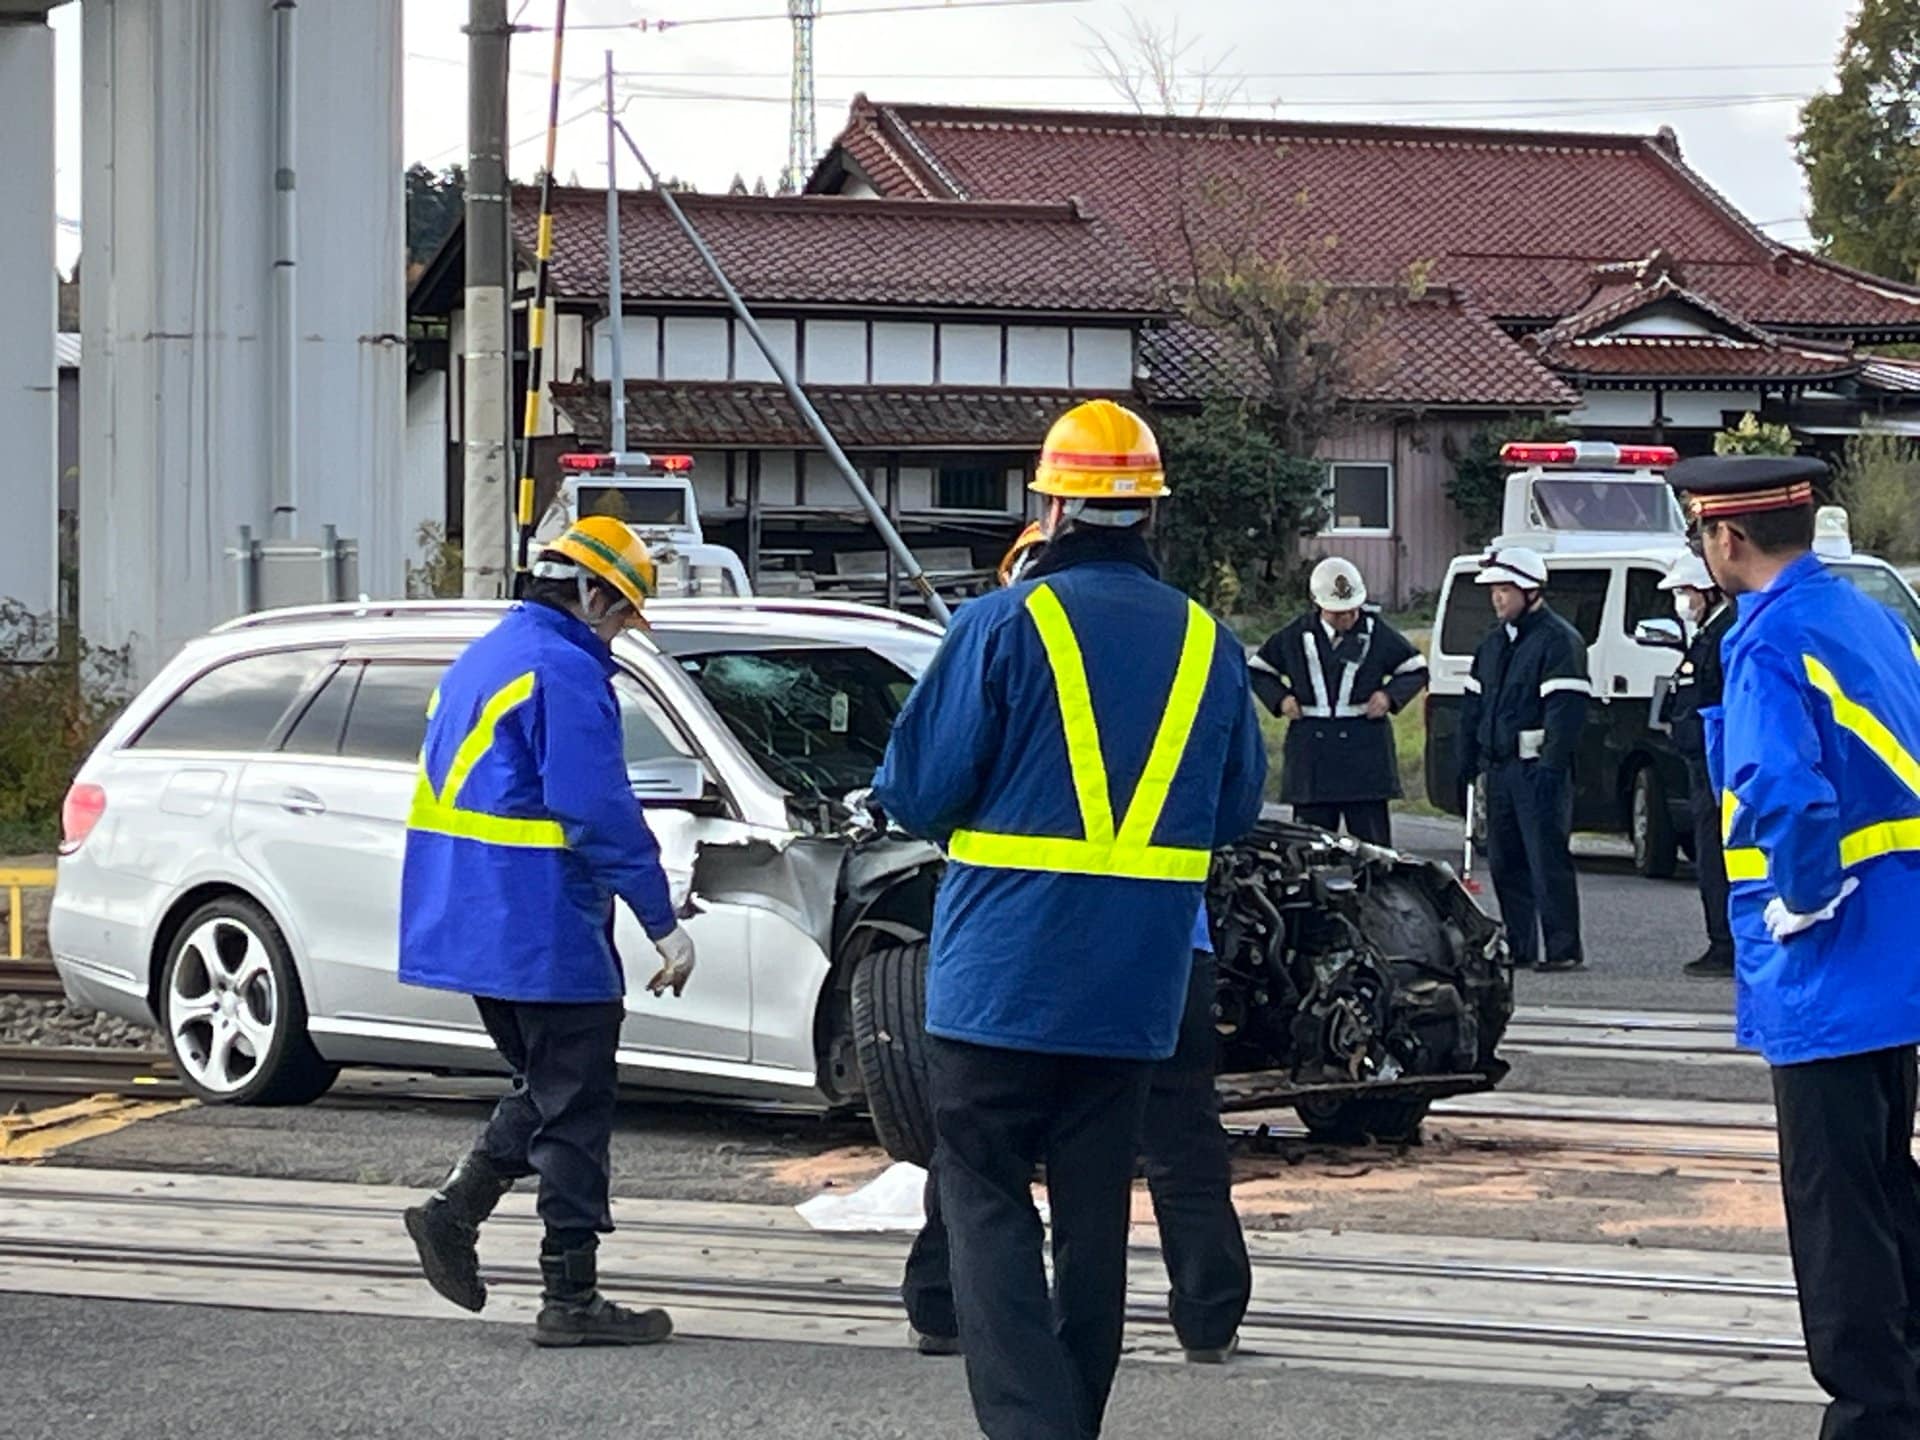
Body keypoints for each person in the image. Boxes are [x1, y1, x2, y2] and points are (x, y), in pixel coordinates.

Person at [872, 398, 1267, 1440]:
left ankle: (1029, 1425)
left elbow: (916, 792)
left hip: (1001, 969)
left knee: (984, 1193)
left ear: (1050, 507)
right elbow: (1231, 812)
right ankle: (1072, 1420)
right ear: (1148, 516)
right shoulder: (1207, 641)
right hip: (1137, 977)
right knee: (1095, 1216)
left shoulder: (1000, 623)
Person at [397, 515, 700, 1348]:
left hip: (472, 922)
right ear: (592, 593)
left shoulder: (490, 652)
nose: (620, 633)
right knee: (574, 1107)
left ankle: (455, 1211)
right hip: (538, 923)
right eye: (619, 614)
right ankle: (570, 1297)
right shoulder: (562, 670)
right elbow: (595, 805)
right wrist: (662, 921)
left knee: (549, 1087)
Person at [1670, 454, 1920, 1439]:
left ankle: (1872, 1413)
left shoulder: (1766, 639)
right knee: (1883, 1178)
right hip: (1897, 952)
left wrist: (1804, 900)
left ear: (1727, 539)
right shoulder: (1871, 617)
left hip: (1829, 963)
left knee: (1834, 1205)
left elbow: (1783, 786)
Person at [1456, 545, 1591, 971]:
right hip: (1500, 768)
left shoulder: (1558, 641)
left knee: (1545, 858)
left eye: (1504, 589)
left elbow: (1565, 714)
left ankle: (1563, 947)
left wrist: (1552, 767)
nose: (1496, 598)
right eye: (1494, 590)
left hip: (1537, 769)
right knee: (1504, 861)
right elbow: (1473, 707)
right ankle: (1520, 944)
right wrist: (1466, 758)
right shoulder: (1493, 645)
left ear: (1530, 590)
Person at [1250, 556, 1428, 847]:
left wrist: (1389, 696)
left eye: (1350, 611)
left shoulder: (1377, 633)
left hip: (1365, 759)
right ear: (1319, 605)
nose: (1346, 618)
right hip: (1312, 761)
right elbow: (1259, 670)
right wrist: (1280, 700)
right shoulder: (1296, 635)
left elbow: (1415, 668)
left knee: (1373, 851)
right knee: (1310, 849)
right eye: (1337, 613)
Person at [1656, 552, 1736, 978]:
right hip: (1700, 760)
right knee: (1709, 857)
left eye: (1685, 592)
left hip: (1715, 766)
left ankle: (1725, 944)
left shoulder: (1723, 634)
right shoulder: (1707, 634)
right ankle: (1720, 939)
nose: (1680, 601)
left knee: (1716, 857)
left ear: (1706, 591)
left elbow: (1718, 703)